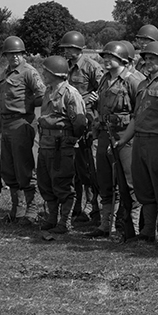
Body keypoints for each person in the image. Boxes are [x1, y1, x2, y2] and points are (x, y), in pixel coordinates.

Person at [115, 41, 158, 246]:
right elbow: (136, 117)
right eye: (146, 58)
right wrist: (123, 140)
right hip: (140, 140)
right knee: (143, 187)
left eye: (152, 58)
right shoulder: (142, 85)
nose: (148, 62)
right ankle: (148, 230)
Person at [90, 41, 143, 239]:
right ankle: (106, 224)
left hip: (125, 136)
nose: (106, 59)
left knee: (129, 182)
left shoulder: (133, 80)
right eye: (104, 56)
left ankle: (133, 226)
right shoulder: (105, 79)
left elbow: (139, 111)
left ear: (122, 59)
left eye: (110, 56)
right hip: (105, 133)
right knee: (104, 179)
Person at [35, 55, 87, 238]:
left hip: (61, 145)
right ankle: (52, 217)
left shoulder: (70, 94)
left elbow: (79, 123)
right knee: (45, 182)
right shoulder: (48, 91)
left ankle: (65, 221)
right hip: (45, 144)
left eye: (46, 72)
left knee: (62, 183)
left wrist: (69, 140)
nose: (43, 75)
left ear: (55, 73)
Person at [0, 36, 46, 223]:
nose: (14, 57)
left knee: (24, 166)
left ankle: (31, 210)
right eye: (11, 54)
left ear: (23, 54)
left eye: (18, 53)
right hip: (6, 123)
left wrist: (28, 104)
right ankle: (17, 209)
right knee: (8, 168)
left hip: (21, 122)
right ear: (6, 55)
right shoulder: (5, 73)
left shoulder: (29, 72)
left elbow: (42, 95)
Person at [58, 30, 104, 225]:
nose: (66, 51)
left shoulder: (92, 67)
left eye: (69, 48)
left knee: (88, 167)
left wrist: (95, 98)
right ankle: (76, 207)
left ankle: (93, 207)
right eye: (65, 48)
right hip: (68, 121)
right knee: (74, 167)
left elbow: (104, 89)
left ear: (78, 48)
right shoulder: (64, 66)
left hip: (86, 121)